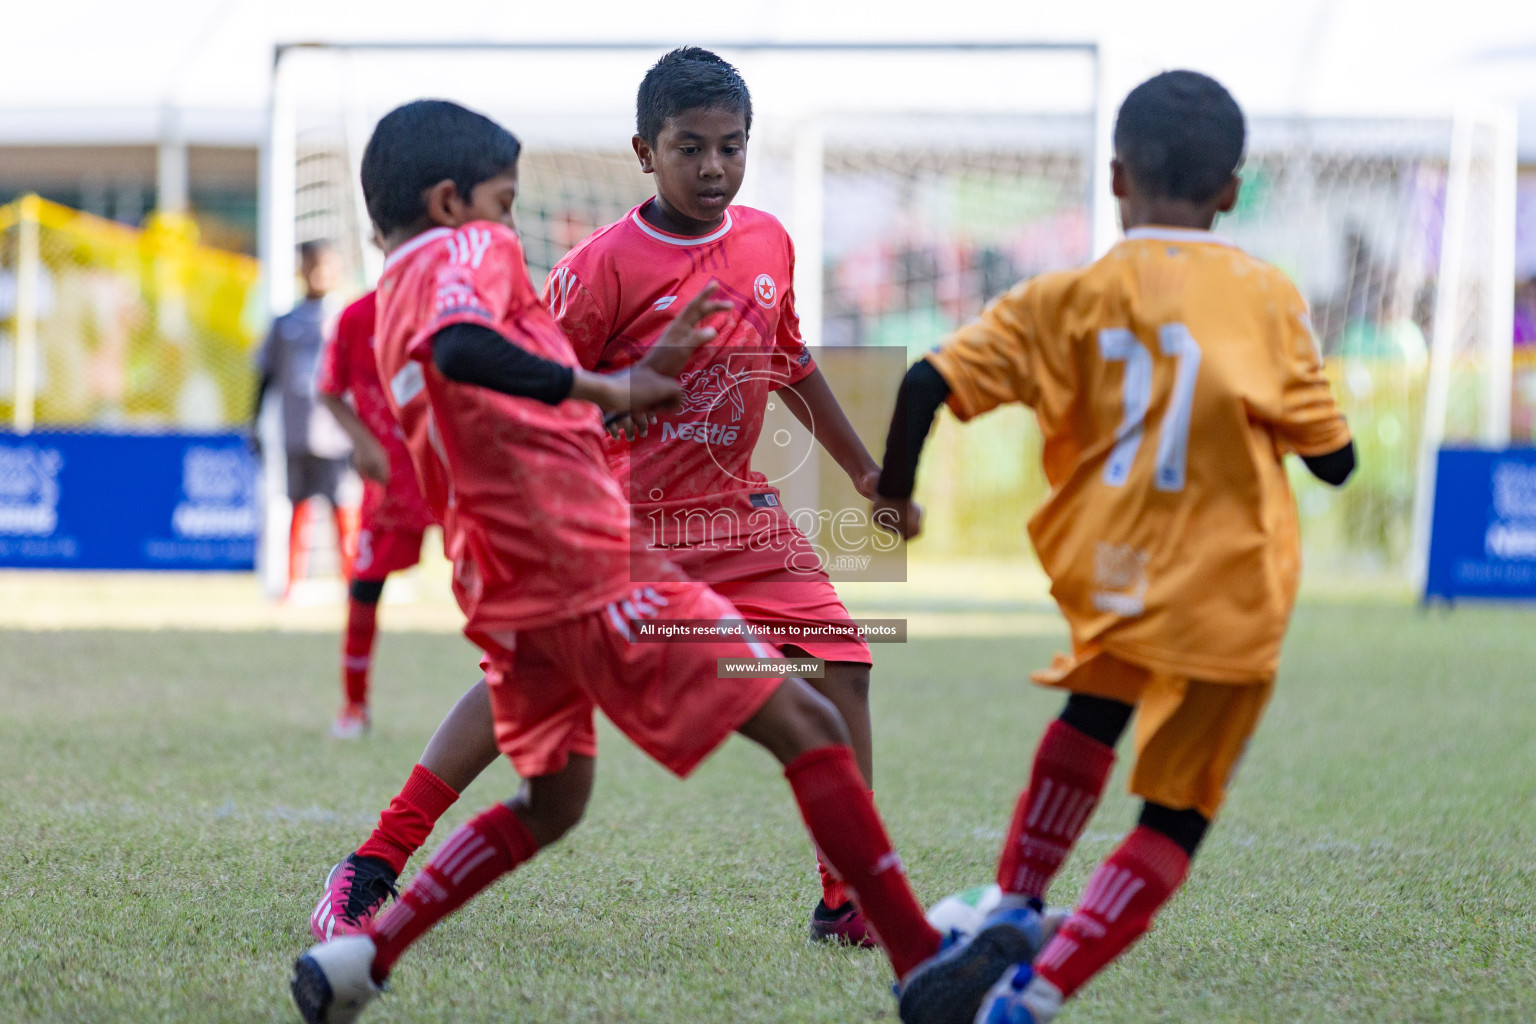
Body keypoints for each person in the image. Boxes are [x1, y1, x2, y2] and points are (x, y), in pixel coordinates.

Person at [289, 98, 941, 1024]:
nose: (715, 167)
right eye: (505, 202)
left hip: (628, 534)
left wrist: (859, 471)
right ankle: (923, 959)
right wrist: (611, 390)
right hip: (606, 533)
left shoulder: (391, 291)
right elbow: (487, 355)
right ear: (449, 203)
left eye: (731, 147)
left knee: (563, 797)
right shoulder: (488, 257)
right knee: (800, 724)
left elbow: (780, 362)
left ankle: (364, 950)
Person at [878, 71, 1356, 1024]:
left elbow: (926, 383)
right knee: (1175, 814)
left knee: (1093, 714)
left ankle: (1015, 903)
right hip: (1231, 596)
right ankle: (1034, 993)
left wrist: (896, 497)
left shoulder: (1065, 296)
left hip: (1117, 577)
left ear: (1115, 178)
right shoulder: (1267, 297)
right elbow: (1335, 462)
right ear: (1231, 189)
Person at [315, 288, 438, 738]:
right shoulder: (356, 316)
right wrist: (365, 443)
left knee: (491, 591)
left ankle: (514, 703)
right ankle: (354, 705)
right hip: (390, 480)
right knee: (364, 589)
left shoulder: (454, 301)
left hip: (456, 474)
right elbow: (328, 390)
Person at [252, 240, 357, 592]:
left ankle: (353, 588)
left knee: (343, 507)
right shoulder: (285, 323)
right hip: (296, 432)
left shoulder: (347, 319)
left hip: (340, 436)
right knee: (296, 506)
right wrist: (254, 424)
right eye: (311, 266)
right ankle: (291, 586)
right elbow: (265, 377)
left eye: (326, 266)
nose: (319, 274)